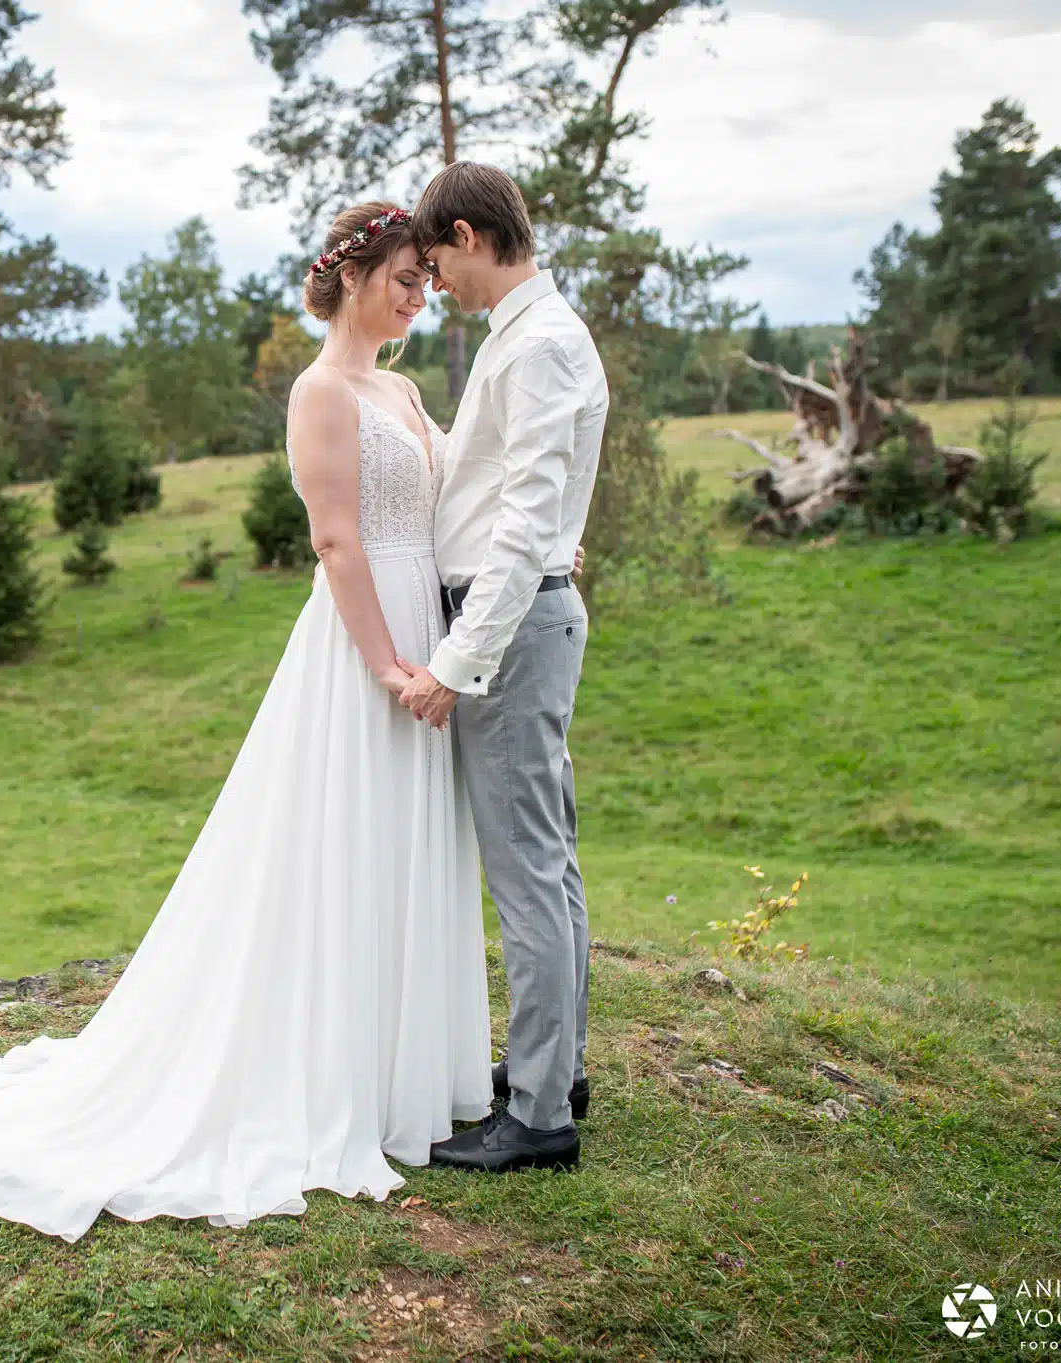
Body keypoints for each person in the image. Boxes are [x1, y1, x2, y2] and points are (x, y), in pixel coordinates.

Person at [0, 201, 494, 1243]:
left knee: (407, 844)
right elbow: (336, 541)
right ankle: (320, 1071)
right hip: (364, 642)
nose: (418, 294)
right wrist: (383, 660)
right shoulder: (320, 390)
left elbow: (452, 496)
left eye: (428, 280)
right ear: (351, 274)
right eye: (404, 276)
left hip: (426, 621)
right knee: (344, 844)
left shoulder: (401, 387)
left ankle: (402, 1075)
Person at [397, 162, 608, 1175]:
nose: (432, 278)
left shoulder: (541, 344)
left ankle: (533, 1114)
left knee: (526, 873)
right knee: (547, 863)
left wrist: (455, 662)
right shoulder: (526, 339)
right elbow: (511, 493)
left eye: (434, 258)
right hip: (527, 619)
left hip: (511, 631)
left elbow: (525, 519)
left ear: (471, 235)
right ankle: (550, 1069)